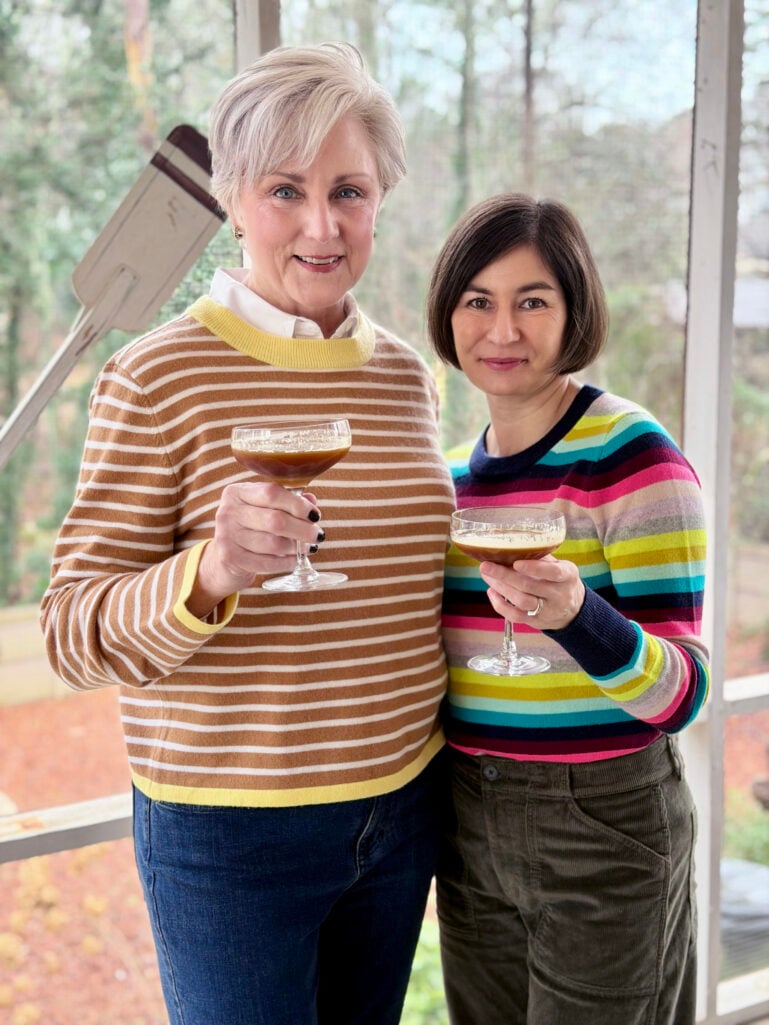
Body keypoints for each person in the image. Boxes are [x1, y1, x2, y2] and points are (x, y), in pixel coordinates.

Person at [40, 43, 454, 1025]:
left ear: (381, 198)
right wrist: (212, 568)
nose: (323, 224)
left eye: (349, 189)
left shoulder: (404, 378)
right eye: (284, 189)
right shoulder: (155, 376)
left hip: (403, 806)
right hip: (230, 831)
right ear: (230, 199)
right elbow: (69, 629)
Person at [426, 192, 710, 1025]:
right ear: (447, 314)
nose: (501, 330)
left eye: (531, 301)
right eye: (477, 301)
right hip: (467, 813)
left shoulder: (632, 455)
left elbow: (682, 694)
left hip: (602, 824)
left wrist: (578, 615)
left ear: (573, 309)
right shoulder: (453, 482)